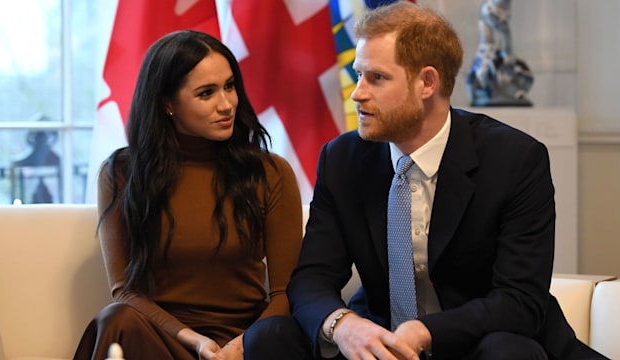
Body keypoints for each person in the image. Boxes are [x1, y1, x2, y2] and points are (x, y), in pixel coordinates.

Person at [252, 2, 609, 360]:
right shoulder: (343, 159)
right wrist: (343, 324)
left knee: (508, 352)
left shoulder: (515, 160)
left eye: (376, 77)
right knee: (269, 336)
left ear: (427, 82)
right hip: (380, 344)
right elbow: (312, 276)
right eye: (358, 74)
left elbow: (519, 301)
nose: (357, 92)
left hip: (480, 341)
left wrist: (425, 331)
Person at [73, 30, 303, 360]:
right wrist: (195, 341)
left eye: (229, 86)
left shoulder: (270, 172)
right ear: (167, 104)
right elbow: (125, 291)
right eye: (206, 93)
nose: (226, 105)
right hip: (164, 337)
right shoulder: (123, 171)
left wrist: (240, 345)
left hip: (245, 340)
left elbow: (285, 292)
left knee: (278, 334)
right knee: (116, 320)